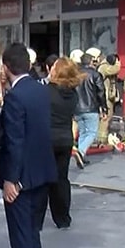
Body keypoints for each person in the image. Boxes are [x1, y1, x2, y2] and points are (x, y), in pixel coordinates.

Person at [0, 43, 57, 248]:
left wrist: (11, 179)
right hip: (42, 172)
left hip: (22, 177)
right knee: (33, 233)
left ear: (6, 67)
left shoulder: (15, 97)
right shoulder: (41, 91)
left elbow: (14, 141)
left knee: (21, 236)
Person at [45, 57, 82, 230]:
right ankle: (63, 218)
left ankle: (38, 216)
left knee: (44, 180)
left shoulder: (48, 91)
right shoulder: (72, 93)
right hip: (65, 138)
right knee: (62, 179)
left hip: (48, 139)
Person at [72, 51, 105, 169]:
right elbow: (101, 92)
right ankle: (80, 152)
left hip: (77, 107)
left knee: (83, 132)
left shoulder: (75, 74)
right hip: (91, 107)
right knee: (92, 132)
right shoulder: (95, 74)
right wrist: (104, 108)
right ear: (91, 61)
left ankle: (82, 156)